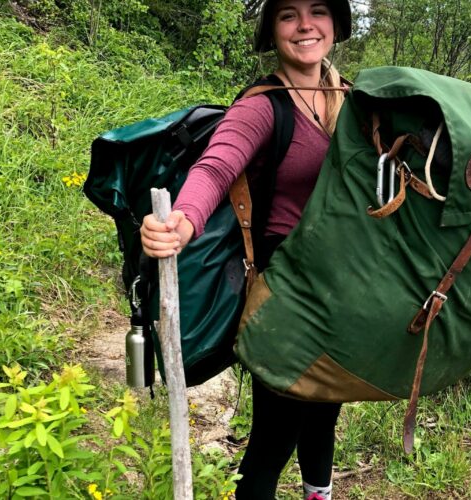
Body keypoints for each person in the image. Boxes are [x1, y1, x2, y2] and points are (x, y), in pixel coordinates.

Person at [140, 1, 352, 498]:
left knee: (324, 416)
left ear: (335, 24)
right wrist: (182, 222)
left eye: (318, 10)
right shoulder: (263, 105)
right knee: (275, 435)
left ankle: (318, 494)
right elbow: (215, 167)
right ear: (272, 30)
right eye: (288, 14)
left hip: (343, 287)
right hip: (285, 290)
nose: (305, 25)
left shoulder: (354, 99)